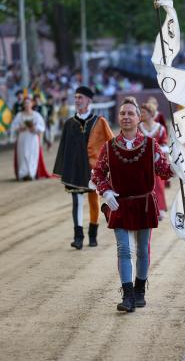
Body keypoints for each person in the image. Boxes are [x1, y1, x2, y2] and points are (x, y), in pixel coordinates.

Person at [92, 97, 175, 313]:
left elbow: (164, 171)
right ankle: (127, 295)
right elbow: (98, 172)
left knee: (142, 251)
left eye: (130, 113)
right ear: (118, 118)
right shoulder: (109, 147)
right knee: (124, 249)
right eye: (122, 113)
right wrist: (106, 191)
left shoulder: (150, 145)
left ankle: (140, 291)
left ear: (139, 118)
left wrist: (177, 163)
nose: (126, 117)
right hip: (118, 204)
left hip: (144, 203)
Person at [53, 86, 113, 250]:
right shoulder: (69, 123)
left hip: (93, 170)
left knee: (94, 201)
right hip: (75, 171)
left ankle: (92, 234)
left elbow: (111, 143)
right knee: (77, 202)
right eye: (76, 97)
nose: (77, 100)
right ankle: (78, 237)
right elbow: (64, 149)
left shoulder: (99, 122)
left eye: (80, 97)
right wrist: (63, 169)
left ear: (88, 100)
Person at [139, 102, 169, 219]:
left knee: (158, 185)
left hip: (156, 161)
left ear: (151, 114)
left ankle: (160, 208)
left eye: (144, 112)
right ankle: (145, 209)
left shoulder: (160, 128)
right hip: (141, 161)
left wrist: (164, 161)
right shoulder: (138, 127)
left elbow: (165, 144)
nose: (141, 114)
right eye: (141, 112)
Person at [10, 96, 50, 180]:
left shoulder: (36, 115)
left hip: (32, 138)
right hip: (22, 138)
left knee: (32, 155)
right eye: (25, 103)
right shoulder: (19, 115)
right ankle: (23, 173)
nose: (27, 104)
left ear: (32, 104)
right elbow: (13, 126)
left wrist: (34, 128)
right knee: (23, 155)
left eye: (28, 103)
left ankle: (31, 173)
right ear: (23, 105)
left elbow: (42, 126)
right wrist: (19, 128)